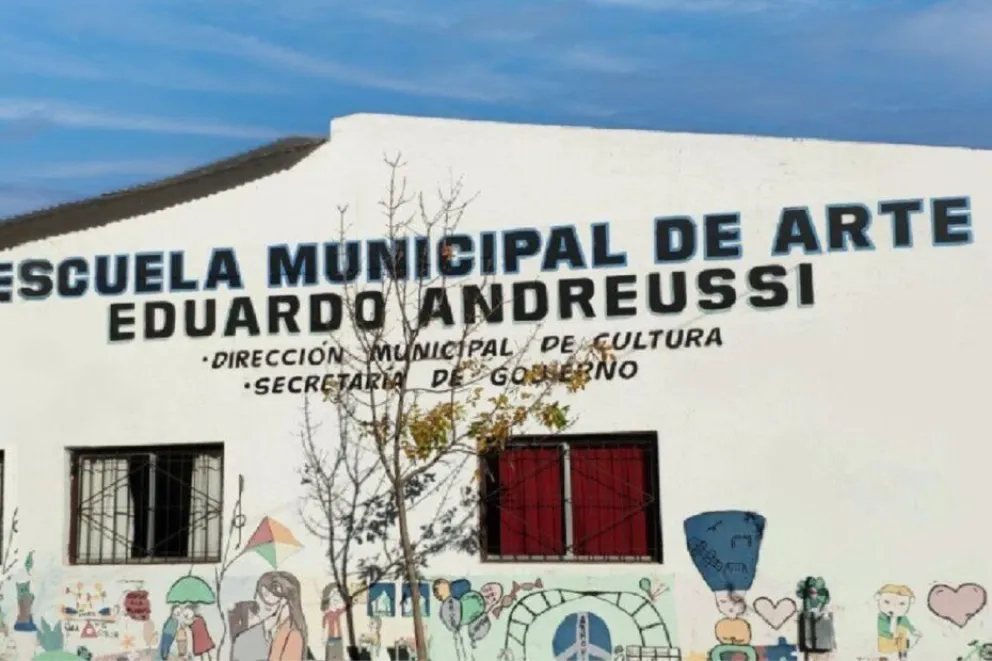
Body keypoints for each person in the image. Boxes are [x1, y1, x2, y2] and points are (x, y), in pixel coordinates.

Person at [256, 571, 308, 661]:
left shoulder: (293, 634)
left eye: (266, 595)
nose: (260, 600)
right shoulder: (277, 628)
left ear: (284, 600)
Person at [876, 584, 921, 660]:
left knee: (902, 629)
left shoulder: (902, 618)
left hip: (898, 641)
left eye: (902, 604)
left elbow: (908, 625)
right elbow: (882, 628)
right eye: (887, 602)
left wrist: (913, 631)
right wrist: (890, 635)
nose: (893, 608)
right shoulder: (882, 617)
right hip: (885, 641)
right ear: (878, 598)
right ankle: (903, 648)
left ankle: (902, 653)